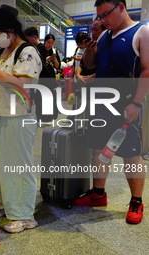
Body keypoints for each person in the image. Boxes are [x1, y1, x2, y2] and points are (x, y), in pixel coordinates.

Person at [74, 0, 149, 224]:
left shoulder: (141, 32)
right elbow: (93, 66)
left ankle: (136, 200)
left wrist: (136, 103)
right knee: (99, 150)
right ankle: (98, 193)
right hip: (101, 103)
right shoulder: (105, 36)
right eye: (99, 16)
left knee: (130, 154)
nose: (102, 20)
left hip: (127, 104)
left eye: (106, 14)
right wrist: (89, 49)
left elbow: (147, 70)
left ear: (121, 7)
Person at [0, 5, 42, 233]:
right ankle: (5, 205)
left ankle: (25, 215)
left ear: (11, 29)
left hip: (18, 116)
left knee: (18, 166)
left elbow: (25, 85)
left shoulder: (27, 52)